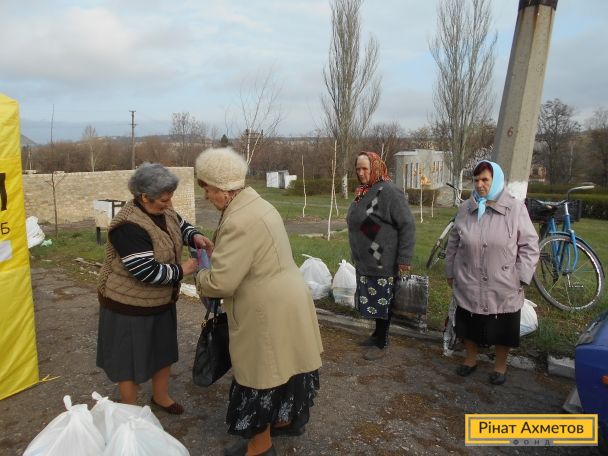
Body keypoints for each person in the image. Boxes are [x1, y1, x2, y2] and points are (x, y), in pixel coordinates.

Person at [194, 147, 323, 456]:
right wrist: (221, 255)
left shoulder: (239, 220)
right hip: (287, 299)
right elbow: (250, 255)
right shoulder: (258, 204)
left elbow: (222, 283)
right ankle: (286, 420)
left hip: (266, 308)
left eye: (208, 189)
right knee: (287, 365)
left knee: (261, 375)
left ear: (224, 188)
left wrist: (199, 274)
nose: (206, 196)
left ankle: (260, 447)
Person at [96, 163, 212, 413]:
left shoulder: (165, 210)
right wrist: (183, 269)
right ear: (144, 197)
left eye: (170, 197)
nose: (169, 204)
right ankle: (130, 412)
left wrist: (194, 236)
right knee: (128, 361)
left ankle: (161, 396)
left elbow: (180, 226)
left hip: (161, 301)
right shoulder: (127, 226)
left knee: (163, 351)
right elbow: (145, 271)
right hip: (128, 306)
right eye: (163, 199)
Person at [445, 160, 539, 385]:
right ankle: (470, 360)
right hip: (468, 278)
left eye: (485, 180)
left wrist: (520, 277)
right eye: (476, 180)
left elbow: (529, 245)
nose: (479, 185)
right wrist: (451, 271)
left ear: (496, 180)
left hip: (503, 281)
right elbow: (453, 243)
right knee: (468, 322)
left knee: (503, 326)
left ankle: (500, 367)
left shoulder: (515, 209)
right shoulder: (466, 208)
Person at [347, 151, 415, 361]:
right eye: (358, 169)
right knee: (374, 300)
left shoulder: (389, 191)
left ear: (375, 168)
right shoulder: (364, 192)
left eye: (365, 169)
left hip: (383, 261)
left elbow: (407, 225)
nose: (361, 173)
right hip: (366, 261)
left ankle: (382, 342)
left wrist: (404, 259)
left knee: (383, 302)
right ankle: (376, 334)